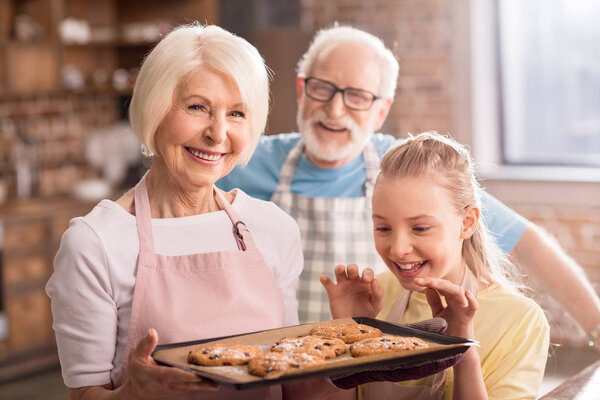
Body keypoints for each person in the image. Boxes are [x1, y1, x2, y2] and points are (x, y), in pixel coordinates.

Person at [217, 25, 600, 344]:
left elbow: (528, 243)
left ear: (381, 110)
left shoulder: (404, 172)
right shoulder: (242, 161)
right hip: (280, 363)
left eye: (357, 97)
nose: (335, 110)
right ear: (302, 91)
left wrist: (596, 326)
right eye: (322, 89)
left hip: (373, 364)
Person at [45, 23, 347, 400]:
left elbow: (290, 383)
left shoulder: (274, 228)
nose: (218, 134)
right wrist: (131, 395)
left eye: (237, 113)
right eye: (197, 107)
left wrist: (346, 353)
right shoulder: (95, 244)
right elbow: (85, 394)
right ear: (154, 109)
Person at [322, 132, 550, 399]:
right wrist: (346, 337)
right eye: (383, 227)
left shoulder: (520, 320)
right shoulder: (375, 295)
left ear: (467, 223)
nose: (398, 249)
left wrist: (461, 349)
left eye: (420, 228)